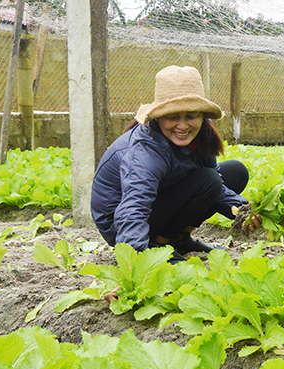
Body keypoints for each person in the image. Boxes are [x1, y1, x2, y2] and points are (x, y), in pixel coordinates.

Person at [90, 65, 261, 263]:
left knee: (234, 172)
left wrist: (243, 211)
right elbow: (133, 209)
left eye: (191, 116)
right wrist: (133, 262)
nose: (182, 126)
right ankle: (156, 245)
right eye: (173, 117)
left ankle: (178, 239)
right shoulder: (145, 151)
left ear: (202, 116)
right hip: (119, 222)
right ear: (158, 117)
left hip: (159, 200)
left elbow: (217, 187)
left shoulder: (202, 134)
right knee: (208, 180)